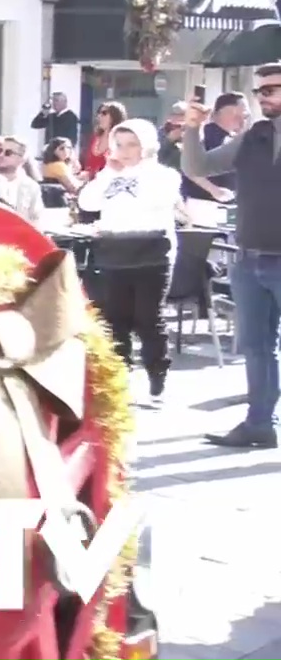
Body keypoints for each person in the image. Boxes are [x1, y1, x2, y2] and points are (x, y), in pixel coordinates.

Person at [181, 65, 281, 449]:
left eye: (272, 89)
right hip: (249, 258)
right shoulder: (253, 135)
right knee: (256, 348)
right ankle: (259, 423)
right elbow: (198, 167)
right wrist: (192, 128)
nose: (263, 97)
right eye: (260, 91)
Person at [78, 117, 184, 404]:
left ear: (146, 145)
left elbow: (152, 201)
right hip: (114, 252)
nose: (124, 151)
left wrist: (131, 175)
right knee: (115, 320)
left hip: (151, 252)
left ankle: (157, 375)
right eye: (119, 145)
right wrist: (106, 175)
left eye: (132, 144)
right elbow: (87, 203)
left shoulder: (164, 174)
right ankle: (120, 378)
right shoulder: (109, 175)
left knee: (148, 318)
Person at [82, 101, 126, 179]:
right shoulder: (94, 138)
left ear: (115, 116)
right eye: (99, 113)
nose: (99, 116)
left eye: (104, 113)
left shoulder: (121, 140)